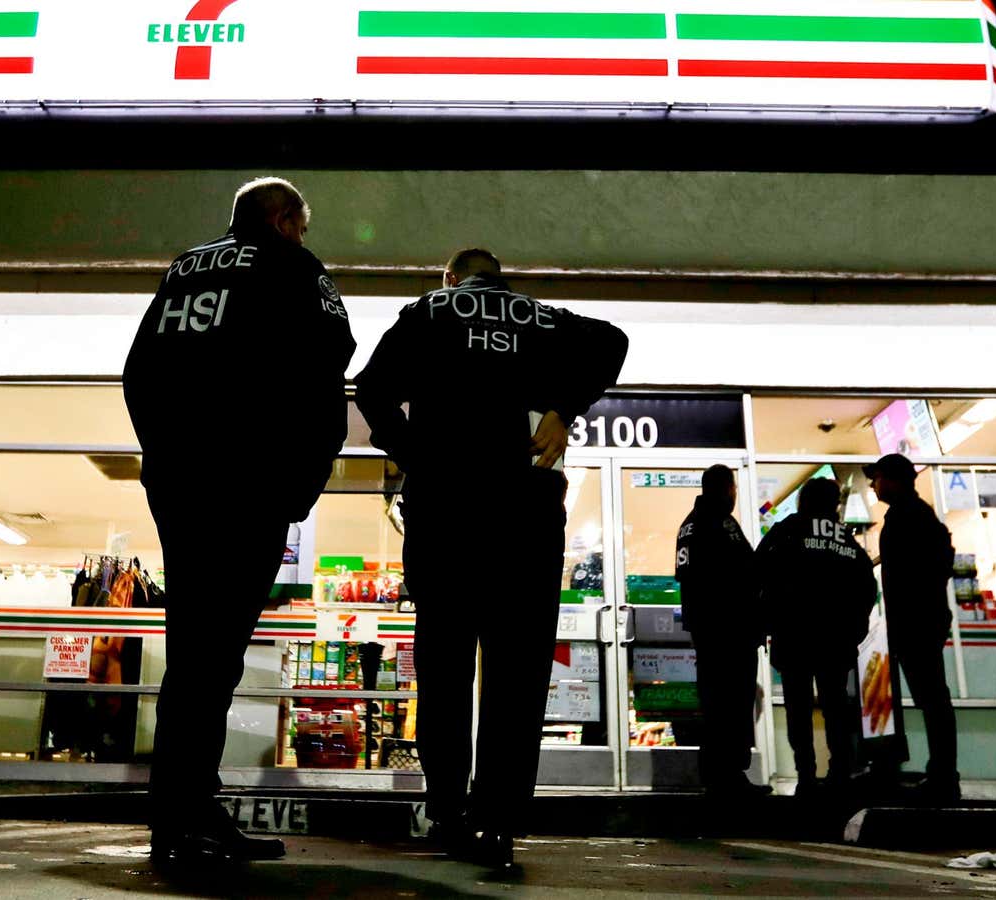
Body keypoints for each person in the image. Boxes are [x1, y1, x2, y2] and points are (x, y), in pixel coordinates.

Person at [354, 248, 628, 868]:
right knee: (518, 674)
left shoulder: (427, 312)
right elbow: (612, 340)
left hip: (446, 514)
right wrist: (565, 408)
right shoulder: (540, 316)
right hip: (524, 518)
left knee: (445, 668)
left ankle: (448, 813)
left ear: (451, 279)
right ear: (502, 281)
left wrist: (411, 450)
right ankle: (498, 822)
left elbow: (369, 389)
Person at [123, 177, 356, 862]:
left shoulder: (186, 268)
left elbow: (138, 372)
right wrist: (299, 486)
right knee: (212, 658)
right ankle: (187, 822)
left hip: (181, 484)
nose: (304, 238)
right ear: (284, 221)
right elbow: (327, 368)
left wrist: (165, 454)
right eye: (302, 226)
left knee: (194, 654)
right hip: (249, 485)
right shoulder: (294, 267)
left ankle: (183, 814)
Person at [755, 477, 877, 797]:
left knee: (798, 708)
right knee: (836, 706)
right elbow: (867, 586)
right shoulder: (847, 541)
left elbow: (758, 573)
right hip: (835, 640)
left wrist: (766, 620)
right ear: (833, 505)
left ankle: (806, 775)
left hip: (793, 636)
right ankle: (839, 773)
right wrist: (856, 626)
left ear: (803, 501)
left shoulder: (786, 532)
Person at [865, 452, 960, 803]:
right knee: (932, 699)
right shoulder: (916, 516)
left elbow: (924, 571)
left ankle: (943, 776)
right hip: (918, 621)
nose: (873, 485)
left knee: (933, 699)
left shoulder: (911, 517)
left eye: (876, 478)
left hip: (917, 622)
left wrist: (910, 611)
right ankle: (941, 773)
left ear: (892, 479)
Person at [675, 464, 770, 798]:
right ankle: (728, 775)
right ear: (727, 488)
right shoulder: (716, 523)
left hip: (711, 628)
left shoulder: (691, 523)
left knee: (717, 702)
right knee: (730, 702)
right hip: (728, 630)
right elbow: (739, 575)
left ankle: (719, 774)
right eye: (733, 488)